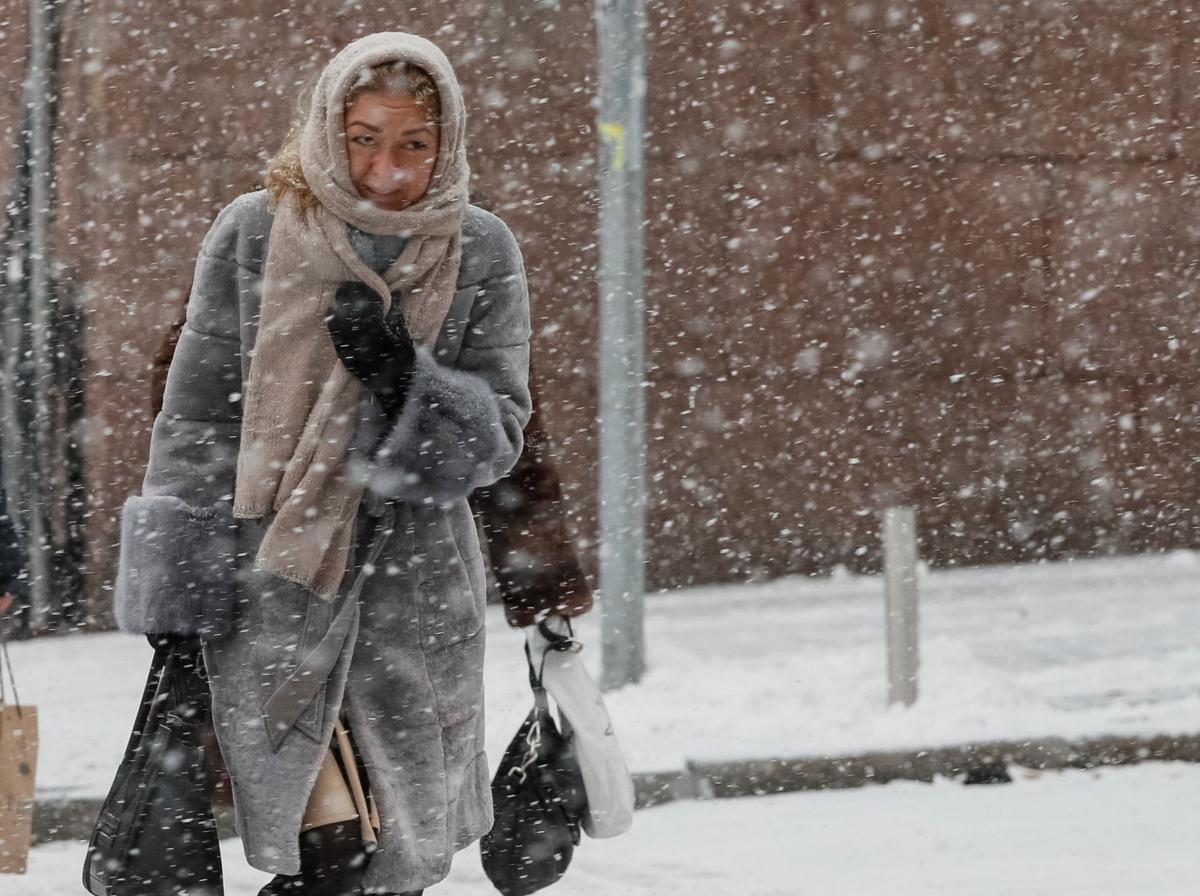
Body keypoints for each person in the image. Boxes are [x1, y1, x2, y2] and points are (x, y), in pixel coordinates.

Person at [113, 32, 580, 895]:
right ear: (330, 128)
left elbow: (504, 437)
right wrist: (177, 603)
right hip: (270, 588)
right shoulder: (253, 233)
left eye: (414, 143)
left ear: (448, 144)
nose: (386, 170)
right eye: (364, 137)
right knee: (324, 854)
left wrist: (409, 381)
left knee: (393, 862)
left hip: (416, 590)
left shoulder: (480, 249)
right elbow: (196, 423)